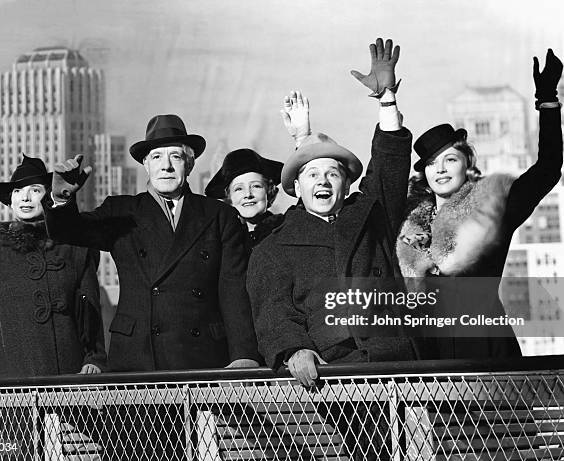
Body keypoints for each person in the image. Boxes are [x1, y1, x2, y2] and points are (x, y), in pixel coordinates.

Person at [45, 113, 260, 460]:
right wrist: (63, 199)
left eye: (175, 156)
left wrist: (244, 355)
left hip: (202, 359)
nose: (166, 166)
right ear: (145, 164)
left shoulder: (218, 215)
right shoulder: (122, 211)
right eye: (157, 157)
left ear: (189, 164)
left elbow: (232, 289)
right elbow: (72, 231)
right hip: (137, 361)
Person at [248, 38, 418, 461]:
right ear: (296, 187)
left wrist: (388, 100)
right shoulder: (273, 248)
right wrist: (293, 349)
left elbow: (390, 165)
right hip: (337, 372)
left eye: (333, 173)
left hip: (402, 363)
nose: (322, 182)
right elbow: (274, 311)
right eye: (312, 174)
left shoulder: (371, 216)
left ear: (346, 183)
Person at [396, 49, 562, 359]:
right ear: (424, 173)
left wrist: (547, 99)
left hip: (488, 350)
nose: (441, 169)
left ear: (467, 165)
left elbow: (549, 168)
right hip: (430, 357)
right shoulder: (409, 223)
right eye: (432, 163)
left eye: (450, 159)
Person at [0, 154, 105, 378]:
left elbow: (90, 310)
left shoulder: (75, 246)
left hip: (67, 376)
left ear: (48, 196)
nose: (24, 198)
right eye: (17, 192)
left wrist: (95, 359)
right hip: (14, 380)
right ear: (10, 201)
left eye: (34, 190)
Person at [205, 148, 284, 249]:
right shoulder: (222, 239)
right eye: (238, 189)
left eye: (256, 186)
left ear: (269, 192)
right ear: (229, 197)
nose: (248, 194)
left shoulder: (284, 229)